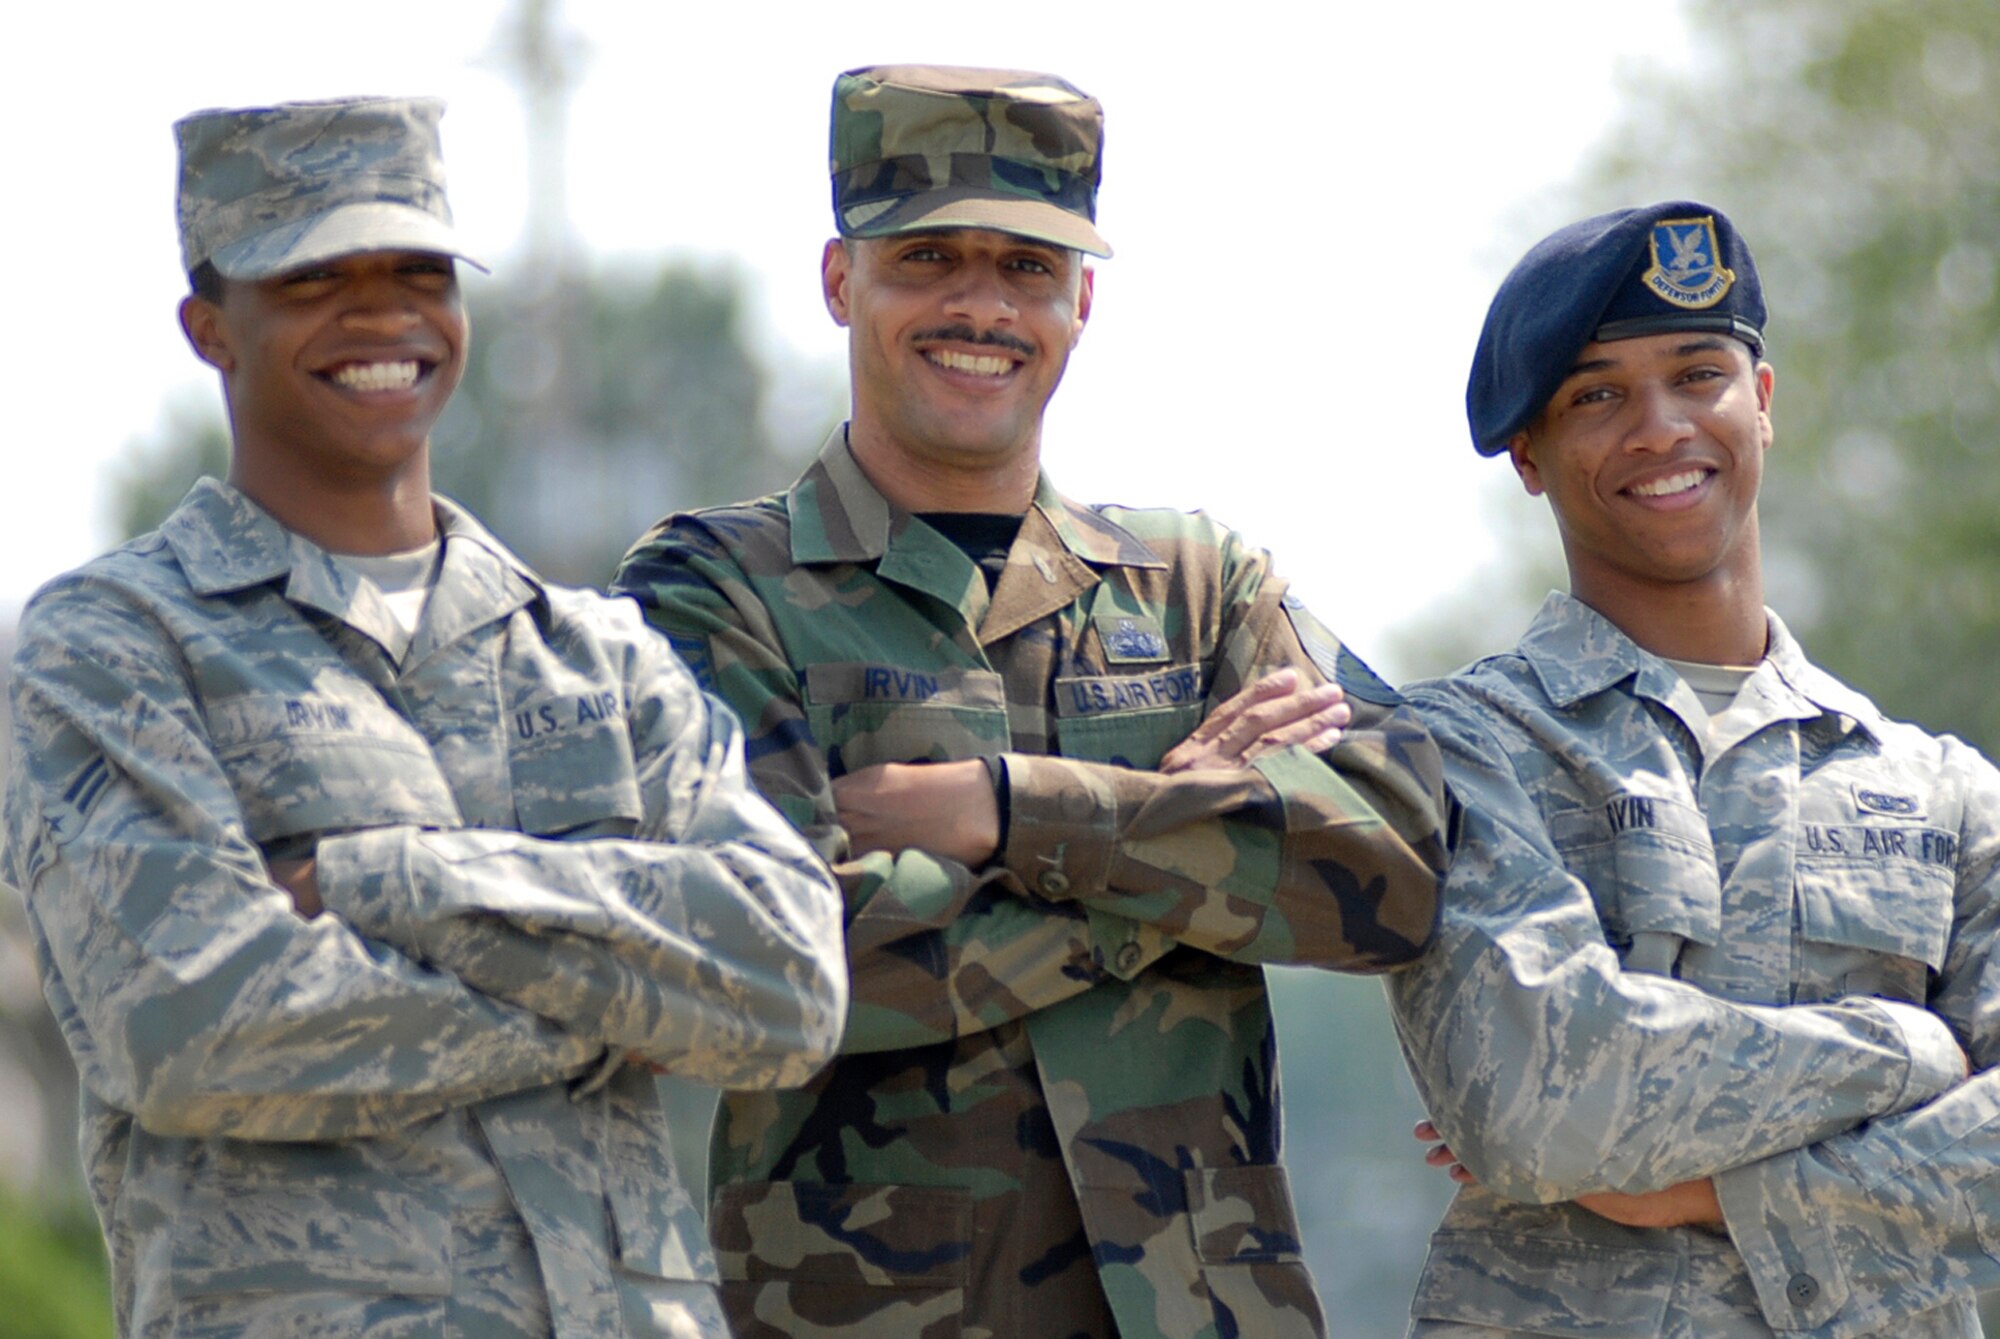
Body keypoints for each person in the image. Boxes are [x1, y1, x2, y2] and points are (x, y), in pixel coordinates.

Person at [612, 64, 1451, 1339]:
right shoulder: (713, 590)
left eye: (1024, 266)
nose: (979, 305)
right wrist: (1181, 859)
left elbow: (1393, 867)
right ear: (840, 281)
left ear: (1082, 299)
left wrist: (1000, 811)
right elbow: (758, 962)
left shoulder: (1197, 584)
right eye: (927, 258)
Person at [0, 95, 848, 1338]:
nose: (382, 313)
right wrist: (623, 1005)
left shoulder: (601, 659)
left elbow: (788, 983)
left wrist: (387, 882)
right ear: (208, 327)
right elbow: (197, 1029)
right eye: (314, 277)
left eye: (417, 269)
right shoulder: (113, 648)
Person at [1390, 201, 2000, 1336]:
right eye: (1595, 395)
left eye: (1695, 373)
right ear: (1527, 454)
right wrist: (1916, 1049)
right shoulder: (1463, 748)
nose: (1659, 428)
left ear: (1761, 404)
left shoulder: (1943, 790)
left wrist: (1709, 1193)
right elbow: (1540, 1102)